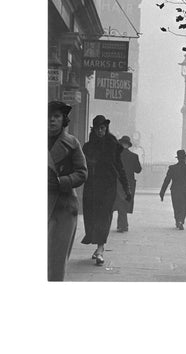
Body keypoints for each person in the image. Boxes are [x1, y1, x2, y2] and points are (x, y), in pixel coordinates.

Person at [81, 115, 131, 265]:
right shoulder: (88, 147)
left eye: (103, 128)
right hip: (91, 186)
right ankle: (97, 244)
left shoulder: (112, 144)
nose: (100, 131)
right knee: (91, 216)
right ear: (94, 129)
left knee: (104, 216)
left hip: (108, 187)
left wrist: (126, 188)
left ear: (106, 128)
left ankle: (100, 249)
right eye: (98, 128)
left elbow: (119, 167)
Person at [48, 101, 87, 281]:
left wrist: (61, 181)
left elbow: (82, 172)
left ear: (63, 119)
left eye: (56, 116)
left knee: (56, 258)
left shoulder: (72, 143)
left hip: (63, 206)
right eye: (48, 117)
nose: (51, 120)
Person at [159, 150, 186, 230]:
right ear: (185, 158)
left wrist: (162, 192)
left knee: (176, 207)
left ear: (178, 158)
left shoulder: (172, 168)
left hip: (175, 190)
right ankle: (181, 221)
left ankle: (178, 220)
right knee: (185, 207)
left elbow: (167, 180)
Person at [113, 135, 142, 233]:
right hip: (129, 183)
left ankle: (122, 225)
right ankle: (123, 225)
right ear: (128, 145)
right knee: (124, 202)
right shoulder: (134, 156)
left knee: (120, 202)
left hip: (118, 182)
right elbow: (138, 170)